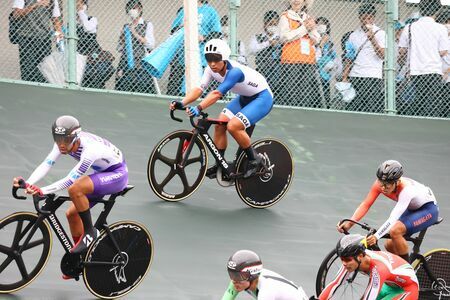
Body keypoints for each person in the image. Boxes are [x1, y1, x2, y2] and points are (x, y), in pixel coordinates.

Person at [12, 116, 128, 268]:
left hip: (117, 174)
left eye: (65, 140)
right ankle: (81, 259)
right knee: (72, 214)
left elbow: (70, 180)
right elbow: (47, 164)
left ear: (76, 137)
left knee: (75, 188)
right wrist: (28, 183)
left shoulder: (90, 150)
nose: (61, 144)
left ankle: (90, 232)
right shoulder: (62, 143)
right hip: (102, 175)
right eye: (57, 138)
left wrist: (43, 190)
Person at [170, 39, 273, 179]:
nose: (212, 63)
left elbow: (217, 94)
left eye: (216, 59)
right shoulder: (210, 70)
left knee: (233, 126)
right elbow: (199, 90)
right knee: (220, 124)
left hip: (262, 98)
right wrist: (182, 103)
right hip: (244, 98)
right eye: (209, 59)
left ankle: (255, 159)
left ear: (224, 59)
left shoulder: (235, 72)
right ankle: (221, 164)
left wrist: (199, 108)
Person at [337, 160, 439, 263]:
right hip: (411, 207)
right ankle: (397, 271)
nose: (383, 188)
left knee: (395, 231)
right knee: (389, 245)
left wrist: (376, 236)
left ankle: (407, 272)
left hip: (428, 209)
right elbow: (366, 204)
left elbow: (393, 218)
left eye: (387, 185)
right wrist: (350, 224)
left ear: (397, 182)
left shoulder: (407, 190)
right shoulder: (380, 184)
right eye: (381, 183)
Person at [318, 234, 419, 300]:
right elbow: (335, 283)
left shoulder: (379, 269)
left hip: (407, 289)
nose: (344, 263)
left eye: (347, 259)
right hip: (388, 285)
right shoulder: (352, 260)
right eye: (342, 259)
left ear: (361, 256)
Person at [398, 0, 449, 117]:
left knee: (417, 102)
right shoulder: (440, 28)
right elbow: (443, 51)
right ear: (437, 10)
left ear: (421, 9)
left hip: (415, 71)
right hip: (433, 71)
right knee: (432, 103)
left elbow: (402, 49)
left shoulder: (409, 27)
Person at [168, 0, 221, 95]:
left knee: (199, 89)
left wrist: (203, 38)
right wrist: (182, 27)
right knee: (180, 90)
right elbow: (173, 31)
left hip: (202, 57)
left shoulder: (210, 11)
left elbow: (216, 33)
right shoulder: (184, 10)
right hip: (183, 56)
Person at [279, 0, 324, 108]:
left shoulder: (307, 18)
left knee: (306, 94)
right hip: (291, 60)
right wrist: (304, 28)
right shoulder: (285, 17)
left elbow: (317, 39)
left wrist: (312, 28)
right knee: (291, 93)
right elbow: (285, 37)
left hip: (308, 60)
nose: (296, 1)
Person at [342, 3, 385, 113]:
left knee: (372, 110)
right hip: (355, 76)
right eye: (363, 17)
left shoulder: (380, 33)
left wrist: (373, 39)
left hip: (372, 76)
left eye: (369, 17)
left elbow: (383, 55)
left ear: (374, 17)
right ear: (359, 17)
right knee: (354, 109)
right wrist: (345, 77)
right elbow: (349, 57)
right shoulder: (353, 35)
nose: (366, 20)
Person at [222, 250, 308, 300]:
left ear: (252, 276)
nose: (234, 281)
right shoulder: (238, 281)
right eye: (232, 275)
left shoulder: (266, 290)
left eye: (238, 277)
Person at [11, 0, 63, 83]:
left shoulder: (52, 1)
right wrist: (36, 5)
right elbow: (16, 15)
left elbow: (55, 19)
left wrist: (58, 33)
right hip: (26, 37)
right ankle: (28, 89)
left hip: (44, 39)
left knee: (44, 69)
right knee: (28, 69)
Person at [115, 0, 156, 94]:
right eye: (130, 9)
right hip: (125, 63)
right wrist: (122, 38)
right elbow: (119, 48)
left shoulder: (147, 24)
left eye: (134, 8)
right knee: (123, 88)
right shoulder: (126, 26)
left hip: (141, 64)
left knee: (142, 89)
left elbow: (150, 44)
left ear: (140, 9)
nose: (132, 10)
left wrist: (134, 33)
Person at [76, 0, 115, 89]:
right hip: (78, 53)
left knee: (95, 73)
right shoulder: (73, 23)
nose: (79, 5)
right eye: (78, 3)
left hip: (93, 51)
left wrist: (81, 12)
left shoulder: (92, 19)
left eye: (82, 3)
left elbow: (88, 28)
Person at [248, 10, 282, 103]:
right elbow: (252, 49)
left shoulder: (282, 38)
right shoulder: (257, 37)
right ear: (265, 24)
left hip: (279, 72)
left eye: (275, 24)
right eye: (270, 23)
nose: (272, 26)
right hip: (262, 70)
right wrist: (268, 43)